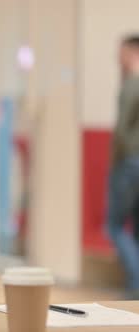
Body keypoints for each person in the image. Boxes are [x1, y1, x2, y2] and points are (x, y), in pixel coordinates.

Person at [107, 35, 139, 300]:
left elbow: (121, 130)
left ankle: (136, 281)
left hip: (129, 162)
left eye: (120, 53)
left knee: (115, 225)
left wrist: (114, 162)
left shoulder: (131, 85)